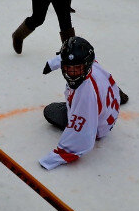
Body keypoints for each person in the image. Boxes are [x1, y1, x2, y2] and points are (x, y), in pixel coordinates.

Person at [39, 36, 123, 170]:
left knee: (49, 111)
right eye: (68, 68)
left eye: (76, 69)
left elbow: (82, 135)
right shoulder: (93, 65)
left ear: (86, 65)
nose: (71, 74)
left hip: (97, 126)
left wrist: (56, 157)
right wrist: (51, 63)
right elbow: (67, 58)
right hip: (107, 113)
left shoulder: (85, 94)